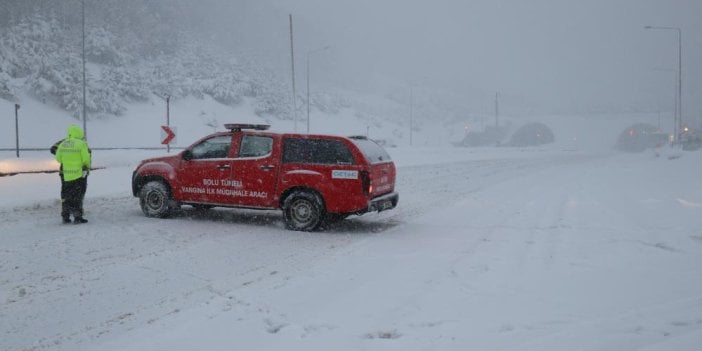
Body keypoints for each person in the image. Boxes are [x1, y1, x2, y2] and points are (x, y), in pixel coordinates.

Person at [55, 124, 91, 224]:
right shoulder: (81, 143)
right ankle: (77, 217)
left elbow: (58, 158)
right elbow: (86, 159)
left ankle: (65, 217)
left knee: (66, 196)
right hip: (78, 175)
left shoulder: (63, 144)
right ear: (79, 133)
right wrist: (86, 167)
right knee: (77, 196)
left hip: (66, 175)